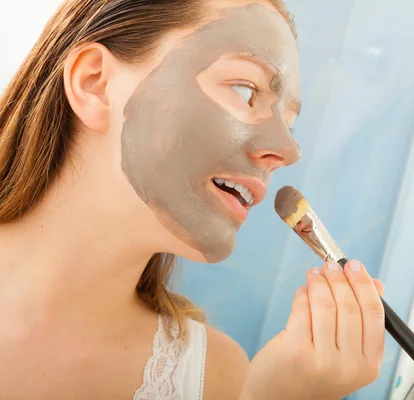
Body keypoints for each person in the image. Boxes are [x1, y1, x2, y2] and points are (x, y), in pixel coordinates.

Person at [0, 0, 386, 398]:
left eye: (289, 124)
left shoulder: (218, 378)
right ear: (95, 84)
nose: (288, 151)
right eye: (245, 90)